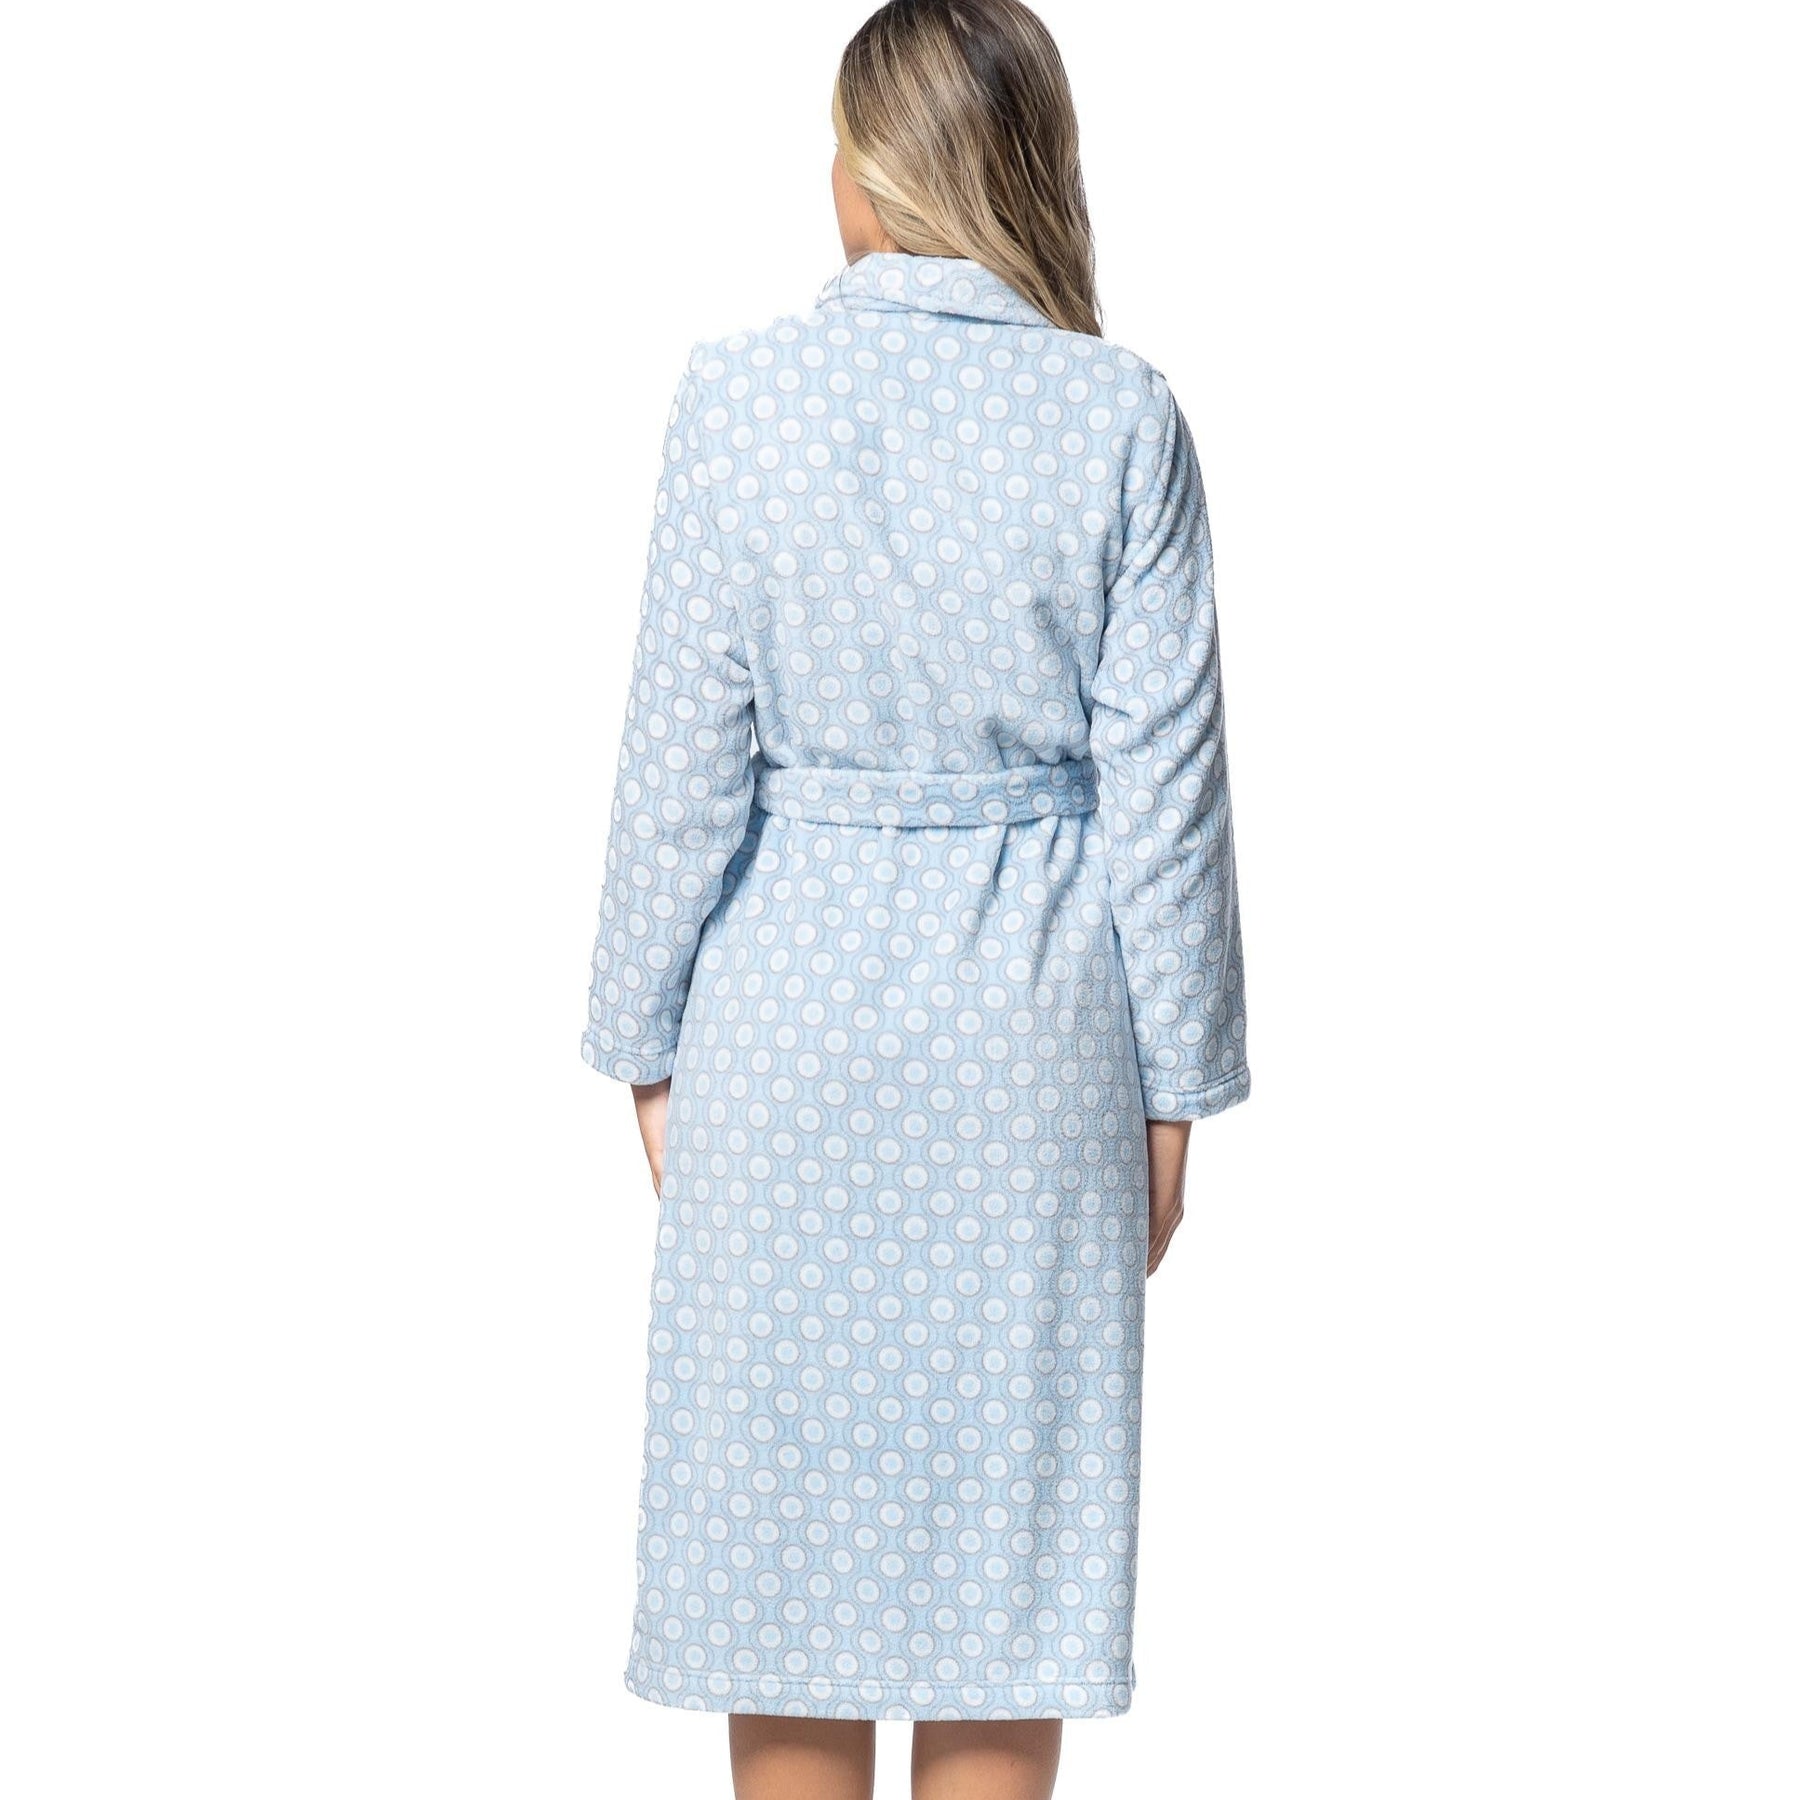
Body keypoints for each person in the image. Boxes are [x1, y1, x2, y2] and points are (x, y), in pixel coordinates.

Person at [580, 2, 1250, 1793]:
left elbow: (676, 764)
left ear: (874, 174)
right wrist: (1174, 1096)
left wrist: (644, 1046)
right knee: (1001, 1590)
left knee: (781, 1587)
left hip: (783, 1044)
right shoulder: (1119, 418)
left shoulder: (737, 398)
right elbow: (1170, 802)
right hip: (1033, 1055)